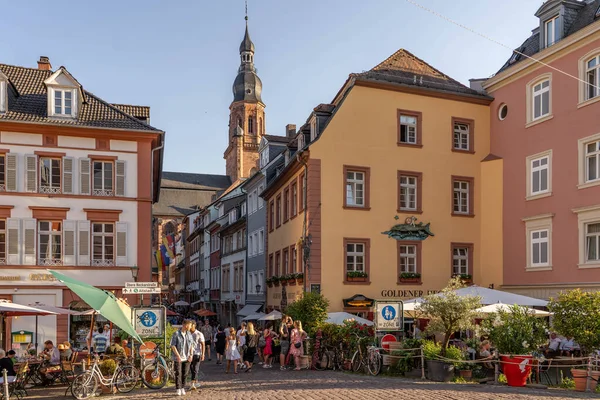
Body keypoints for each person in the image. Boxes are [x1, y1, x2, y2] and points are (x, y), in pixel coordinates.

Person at [170, 319, 194, 397]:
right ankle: (178, 388)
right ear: (185, 325)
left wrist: (191, 355)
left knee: (185, 374)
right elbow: (173, 345)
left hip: (187, 357)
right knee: (178, 373)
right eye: (190, 325)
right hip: (178, 357)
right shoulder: (176, 334)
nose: (191, 327)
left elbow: (191, 345)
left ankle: (183, 387)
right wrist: (178, 356)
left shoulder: (189, 334)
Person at [189, 321, 205, 390]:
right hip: (189, 354)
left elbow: (203, 344)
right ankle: (196, 382)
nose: (189, 327)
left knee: (195, 369)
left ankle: (192, 383)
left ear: (194, 325)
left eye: (191, 325)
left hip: (197, 353)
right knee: (191, 369)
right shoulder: (187, 333)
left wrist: (203, 354)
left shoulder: (199, 333)